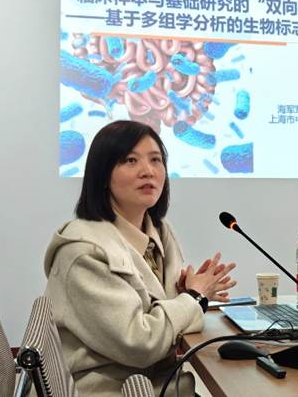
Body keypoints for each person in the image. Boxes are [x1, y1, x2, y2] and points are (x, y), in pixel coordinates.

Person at [44, 120, 236, 396]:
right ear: (103, 175)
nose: (148, 171)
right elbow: (141, 345)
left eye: (156, 160)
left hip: (161, 383)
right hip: (112, 390)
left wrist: (188, 298)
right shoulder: (84, 251)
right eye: (130, 160)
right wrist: (194, 298)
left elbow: (175, 325)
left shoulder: (160, 231)